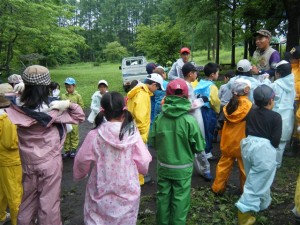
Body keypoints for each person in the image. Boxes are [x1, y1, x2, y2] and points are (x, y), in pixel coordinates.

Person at [6, 65, 85, 225]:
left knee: (27, 201)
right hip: (50, 163)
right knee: (49, 204)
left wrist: (18, 92)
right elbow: (80, 116)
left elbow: (5, 97)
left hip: (27, 163)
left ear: (25, 85)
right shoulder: (53, 109)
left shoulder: (16, 107)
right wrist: (69, 104)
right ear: (47, 86)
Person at [73, 91, 152, 225]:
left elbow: (81, 160)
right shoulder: (132, 133)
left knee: (97, 219)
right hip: (128, 188)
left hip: (101, 188)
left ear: (103, 112)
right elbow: (144, 159)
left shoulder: (95, 134)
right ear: (123, 110)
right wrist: (142, 170)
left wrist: (80, 174)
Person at [149, 79, 205, 225]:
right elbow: (199, 147)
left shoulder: (159, 119)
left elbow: (153, 142)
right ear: (187, 97)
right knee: (180, 199)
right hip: (183, 168)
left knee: (163, 197)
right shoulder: (189, 121)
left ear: (166, 97)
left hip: (163, 166)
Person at [235, 85, 282, 225]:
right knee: (255, 185)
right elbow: (276, 140)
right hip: (264, 151)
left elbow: (247, 131)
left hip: (248, 146)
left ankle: (263, 204)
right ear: (270, 101)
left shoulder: (251, 112)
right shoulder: (276, 116)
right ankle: (243, 217)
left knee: (254, 177)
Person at [211, 78, 252, 195]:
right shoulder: (250, 107)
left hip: (227, 142)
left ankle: (218, 188)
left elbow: (220, 124)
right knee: (244, 168)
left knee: (223, 165)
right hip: (242, 143)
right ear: (247, 90)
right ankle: (245, 191)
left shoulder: (228, 106)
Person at [126, 73, 165, 185]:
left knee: (134, 157)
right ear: (153, 84)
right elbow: (141, 117)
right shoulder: (143, 94)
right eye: (157, 88)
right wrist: (144, 135)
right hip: (139, 132)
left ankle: (138, 178)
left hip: (132, 128)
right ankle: (139, 180)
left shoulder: (137, 90)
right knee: (140, 157)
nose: (156, 91)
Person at [182, 62, 212, 181]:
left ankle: (200, 169)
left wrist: (197, 98)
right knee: (199, 143)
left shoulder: (185, 84)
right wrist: (201, 100)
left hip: (190, 117)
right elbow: (188, 105)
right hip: (193, 116)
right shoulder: (186, 86)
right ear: (190, 74)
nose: (197, 74)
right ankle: (205, 170)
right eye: (195, 72)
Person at [262, 60, 295, 168]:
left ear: (278, 73)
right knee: (281, 143)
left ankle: (271, 163)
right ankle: (277, 163)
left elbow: (267, 92)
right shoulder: (292, 83)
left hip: (277, 116)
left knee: (272, 142)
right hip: (288, 116)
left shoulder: (276, 84)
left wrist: (266, 80)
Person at [0, 91, 22, 225]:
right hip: (10, 161)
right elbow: (11, 144)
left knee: (1, 190)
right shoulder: (7, 120)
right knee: (15, 193)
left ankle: (2, 216)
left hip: (1, 160)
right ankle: (18, 220)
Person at [194, 62, 221, 160]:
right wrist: (217, 110)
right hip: (208, 111)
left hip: (198, 110)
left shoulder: (200, 83)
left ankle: (201, 150)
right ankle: (207, 152)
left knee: (201, 131)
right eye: (217, 73)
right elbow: (215, 101)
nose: (218, 75)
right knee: (209, 131)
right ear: (212, 74)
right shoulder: (212, 86)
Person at [61, 77, 84, 158]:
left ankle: (73, 150)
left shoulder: (77, 96)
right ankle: (67, 150)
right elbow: (61, 105)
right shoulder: (63, 96)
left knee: (74, 134)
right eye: (66, 87)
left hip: (74, 119)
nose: (68, 89)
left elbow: (81, 106)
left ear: (74, 86)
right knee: (66, 134)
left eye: (69, 87)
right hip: (66, 119)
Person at [284, 46, 300, 156]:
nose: (290, 59)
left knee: (297, 121)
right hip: (291, 98)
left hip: (297, 99)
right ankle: (293, 147)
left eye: (292, 57)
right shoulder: (292, 67)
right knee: (293, 122)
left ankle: (295, 149)